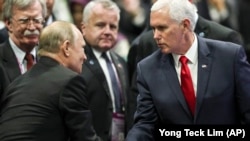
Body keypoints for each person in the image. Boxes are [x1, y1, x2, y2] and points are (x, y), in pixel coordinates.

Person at [126, 0, 250, 140]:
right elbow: (145, 124)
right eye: (153, 28)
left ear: (185, 25)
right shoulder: (147, 68)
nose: (155, 36)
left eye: (162, 28)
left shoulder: (229, 57)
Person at [0, 21, 101, 141]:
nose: (84, 56)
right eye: (82, 48)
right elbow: (85, 137)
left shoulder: (15, 85)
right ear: (66, 47)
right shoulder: (70, 81)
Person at [80, 0, 133, 140]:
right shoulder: (76, 62)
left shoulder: (121, 62)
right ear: (83, 28)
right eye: (100, 25)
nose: (107, 31)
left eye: (113, 26)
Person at [0, 0, 46, 101]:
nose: (32, 27)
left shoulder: (50, 57)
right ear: (9, 24)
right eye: (24, 21)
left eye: (37, 20)